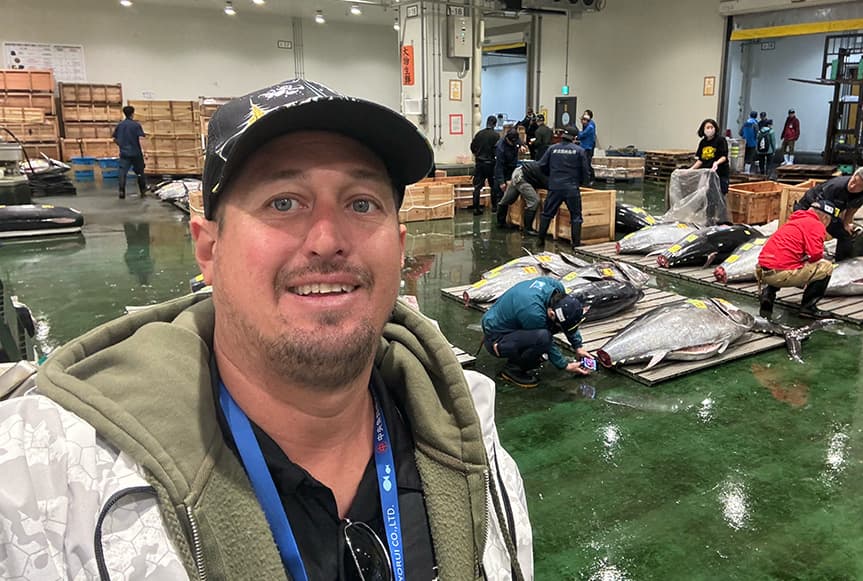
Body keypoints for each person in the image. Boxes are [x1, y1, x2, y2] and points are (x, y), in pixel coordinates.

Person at [0, 79, 533, 580]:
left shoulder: (468, 437)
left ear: (398, 244)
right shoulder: (52, 486)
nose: (327, 239)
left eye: (361, 203)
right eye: (284, 203)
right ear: (208, 249)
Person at [482, 276, 592, 388]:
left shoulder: (557, 289)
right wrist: (565, 365)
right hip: (497, 337)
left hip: (514, 322)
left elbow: (568, 320)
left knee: (550, 329)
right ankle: (512, 369)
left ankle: (527, 354)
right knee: (543, 338)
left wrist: (578, 346)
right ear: (552, 313)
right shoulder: (533, 313)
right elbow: (548, 342)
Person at [756, 200, 836, 319]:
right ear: (825, 218)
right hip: (779, 275)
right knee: (826, 267)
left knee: (785, 260)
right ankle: (808, 308)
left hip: (761, 271)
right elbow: (815, 255)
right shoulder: (816, 224)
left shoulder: (795, 221)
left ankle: (768, 294)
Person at [793, 166, 863, 261]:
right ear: (854, 175)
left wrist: (846, 223)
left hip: (830, 212)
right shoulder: (835, 186)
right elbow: (818, 210)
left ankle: (842, 262)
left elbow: (853, 207)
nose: (852, 186)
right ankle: (798, 258)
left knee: (845, 234)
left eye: (858, 186)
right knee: (809, 232)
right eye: (853, 181)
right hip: (811, 207)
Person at [536, 127, 590, 248]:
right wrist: (580, 183)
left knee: (547, 214)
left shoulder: (552, 149)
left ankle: (540, 240)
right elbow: (585, 171)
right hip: (572, 188)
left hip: (555, 187)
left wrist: (551, 176)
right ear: (575, 138)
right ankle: (576, 245)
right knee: (576, 216)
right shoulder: (579, 151)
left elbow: (541, 165)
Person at [496, 160, 548, 235]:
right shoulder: (548, 175)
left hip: (518, 172)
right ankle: (527, 229)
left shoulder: (546, 168)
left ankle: (500, 223)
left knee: (507, 199)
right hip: (522, 177)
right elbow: (549, 186)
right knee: (534, 201)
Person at [112, 105, 148, 199]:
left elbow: (114, 139)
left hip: (124, 153)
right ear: (132, 114)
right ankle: (143, 191)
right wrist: (145, 152)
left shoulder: (120, 125)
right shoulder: (136, 125)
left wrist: (121, 145)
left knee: (122, 172)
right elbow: (141, 138)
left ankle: (121, 191)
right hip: (136, 153)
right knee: (140, 172)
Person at [689, 118, 730, 195]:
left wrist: (716, 163)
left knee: (719, 194)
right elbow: (701, 160)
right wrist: (690, 169)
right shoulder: (703, 143)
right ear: (703, 129)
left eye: (712, 127)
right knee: (703, 193)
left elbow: (724, 156)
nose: (710, 129)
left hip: (719, 173)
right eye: (708, 128)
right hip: (706, 172)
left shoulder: (720, 140)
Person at [469, 115, 501, 215]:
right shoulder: (496, 136)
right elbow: (498, 150)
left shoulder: (479, 134)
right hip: (491, 164)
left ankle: (476, 208)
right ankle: (494, 207)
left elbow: (472, 146)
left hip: (479, 163)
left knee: (477, 187)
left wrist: (477, 154)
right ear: (494, 124)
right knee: (493, 186)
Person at [494, 128, 523, 211]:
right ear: (507, 138)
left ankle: (509, 217)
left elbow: (519, 142)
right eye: (512, 142)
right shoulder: (500, 148)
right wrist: (501, 182)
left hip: (512, 170)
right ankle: (501, 221)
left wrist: (521, 146)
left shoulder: (515, 140)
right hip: (503, 171)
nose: (513, 144)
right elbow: (499, 166)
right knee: (502, 197)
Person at [578, 110, 596, 185]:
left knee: (587, 164)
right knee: (584, 163)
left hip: (588, 147)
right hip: (584, 146)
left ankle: (590, 179)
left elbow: (583, 135)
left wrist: (578, 134)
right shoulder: (587, 125)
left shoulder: (590, 126)